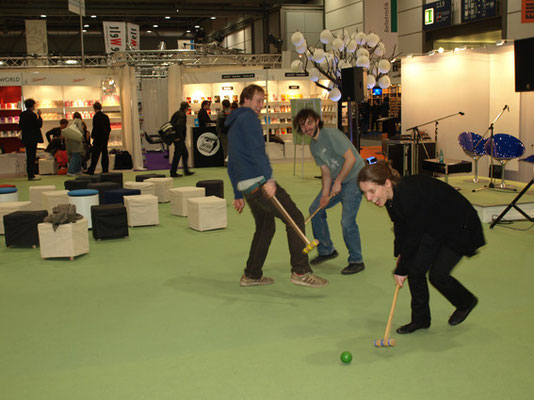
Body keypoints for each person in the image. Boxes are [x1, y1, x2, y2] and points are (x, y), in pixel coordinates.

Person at [358, 161, 484, 334]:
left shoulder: (410, 195)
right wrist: (401, 255)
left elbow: (414, 235)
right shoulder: (390, 197)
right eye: (365, 193)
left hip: (459, 226)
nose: (369, 198)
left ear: (387, 183)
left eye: (372, 191)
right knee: (416, 270)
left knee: (437, 275)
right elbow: (401, 225)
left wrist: (402, 269)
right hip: (433, 226)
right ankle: (421, 320)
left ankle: (466, 302)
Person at [225, 84, 327, 288]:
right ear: (245, 100)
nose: (260, 106)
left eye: (263, 101)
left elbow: (232, 161)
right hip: (260, 182)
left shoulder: (234, 124)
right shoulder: (248, 118)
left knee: (265, 226)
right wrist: (269, 179)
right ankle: (300, 271)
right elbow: (257, 151)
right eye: (257, 100)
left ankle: (252, 274)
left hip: (247, 187)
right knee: (295, 218)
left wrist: (238, 193)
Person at [293, 108, 366, 275]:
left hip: (354, 178)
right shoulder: (313, 146)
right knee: (315, 209)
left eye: (309, 123)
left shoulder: (332, 135)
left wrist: (338, 182)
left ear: (317, 121)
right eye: (303, 126)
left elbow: (351, 159)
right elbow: (325, 172)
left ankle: (356, 260)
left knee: (347, 221)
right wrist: (325, 194)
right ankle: (326, 249)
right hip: (336, 181)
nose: (307, 128)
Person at [19, 98, 44, 181]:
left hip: (26, 138)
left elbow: (20, 125)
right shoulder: (33, 115)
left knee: (29, 156)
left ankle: (30, 174)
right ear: (32, 105)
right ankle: (31, 175)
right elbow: (39, 125)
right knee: (32, 156)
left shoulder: (22, 114)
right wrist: (39, 116)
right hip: (33, 138)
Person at [169, 101, 194, 177]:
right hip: (179, 138)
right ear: (186, 108)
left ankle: (185, 171)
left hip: (177, 138)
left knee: (183, 154)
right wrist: (179, 137)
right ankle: (173, 172)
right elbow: (179, 127)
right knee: (178, 155)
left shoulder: (177, 113)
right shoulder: (182, 115)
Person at [85, 102, 111, 175]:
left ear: (94, 108)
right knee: (105, 153)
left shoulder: (96, 116)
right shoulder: (105, 116)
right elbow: (108, 128)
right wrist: (107, 135)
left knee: (95, 154)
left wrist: (92, 136)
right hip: (105, 137)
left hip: (98, 138)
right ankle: (105, 169)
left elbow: (96, 127)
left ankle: (91, 169)